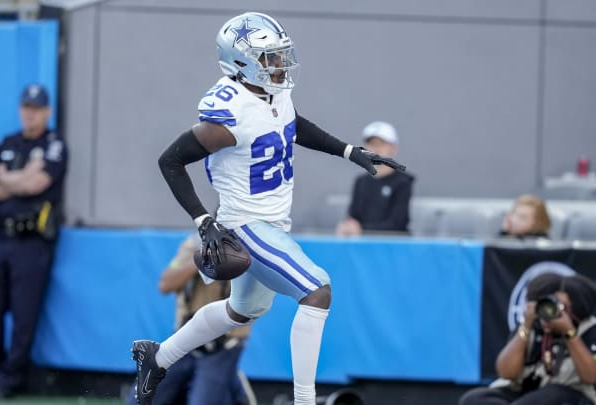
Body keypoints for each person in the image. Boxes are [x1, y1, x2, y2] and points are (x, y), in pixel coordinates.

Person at [132, 12, 402, 405]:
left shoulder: (274, 94)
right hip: (245, 224)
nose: (279, 65)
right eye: (269, 58)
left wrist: (347, 150)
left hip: (274, 221)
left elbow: (290, 124)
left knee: (243, 310)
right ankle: (305, 400)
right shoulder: (229, 114)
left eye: (280, 55)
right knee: (317, 290)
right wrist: (204, 220)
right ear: (240, 63)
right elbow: (170, 160)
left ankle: (159, 356)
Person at [0, 83, 67, 399]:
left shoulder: (54, 144)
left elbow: (38, 183)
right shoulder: (8, 143)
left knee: (24, 313)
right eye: (26, 108)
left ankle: (11, 378)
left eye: (36, 109)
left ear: (47, 112)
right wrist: (16, 182)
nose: (30, 114)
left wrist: (5, 180)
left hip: (33, 242)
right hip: (0, 239)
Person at [126, 234, 251, 405]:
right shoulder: (193, 245)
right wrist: (200, 260)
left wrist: (233, 261)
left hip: (223, 346)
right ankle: (232, 384)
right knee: (139, 399)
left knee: (202, 400)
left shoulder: (252, 250)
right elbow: (165, 284)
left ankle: (234, 388)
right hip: (185, 339)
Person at [459, 273, 596, 405]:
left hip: (572, 396)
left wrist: (569, 333)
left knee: (552, 395)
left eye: (562, 307)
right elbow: (506, 372)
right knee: (474, 399)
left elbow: (591, 376)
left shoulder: (591, 330)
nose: (552, 311)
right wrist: (526, 325)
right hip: (526, 393)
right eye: (549, 304)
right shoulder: (530, 326)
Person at [335, 121, 414, 236]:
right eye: (371, 144)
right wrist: (348, 226)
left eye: (381, 144)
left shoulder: (403, 182)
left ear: (393, 148)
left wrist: (361, 229)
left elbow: (398, 224)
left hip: (392, 248)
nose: (375, 149)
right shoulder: (361, 182)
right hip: (363, 247)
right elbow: (353, 216)